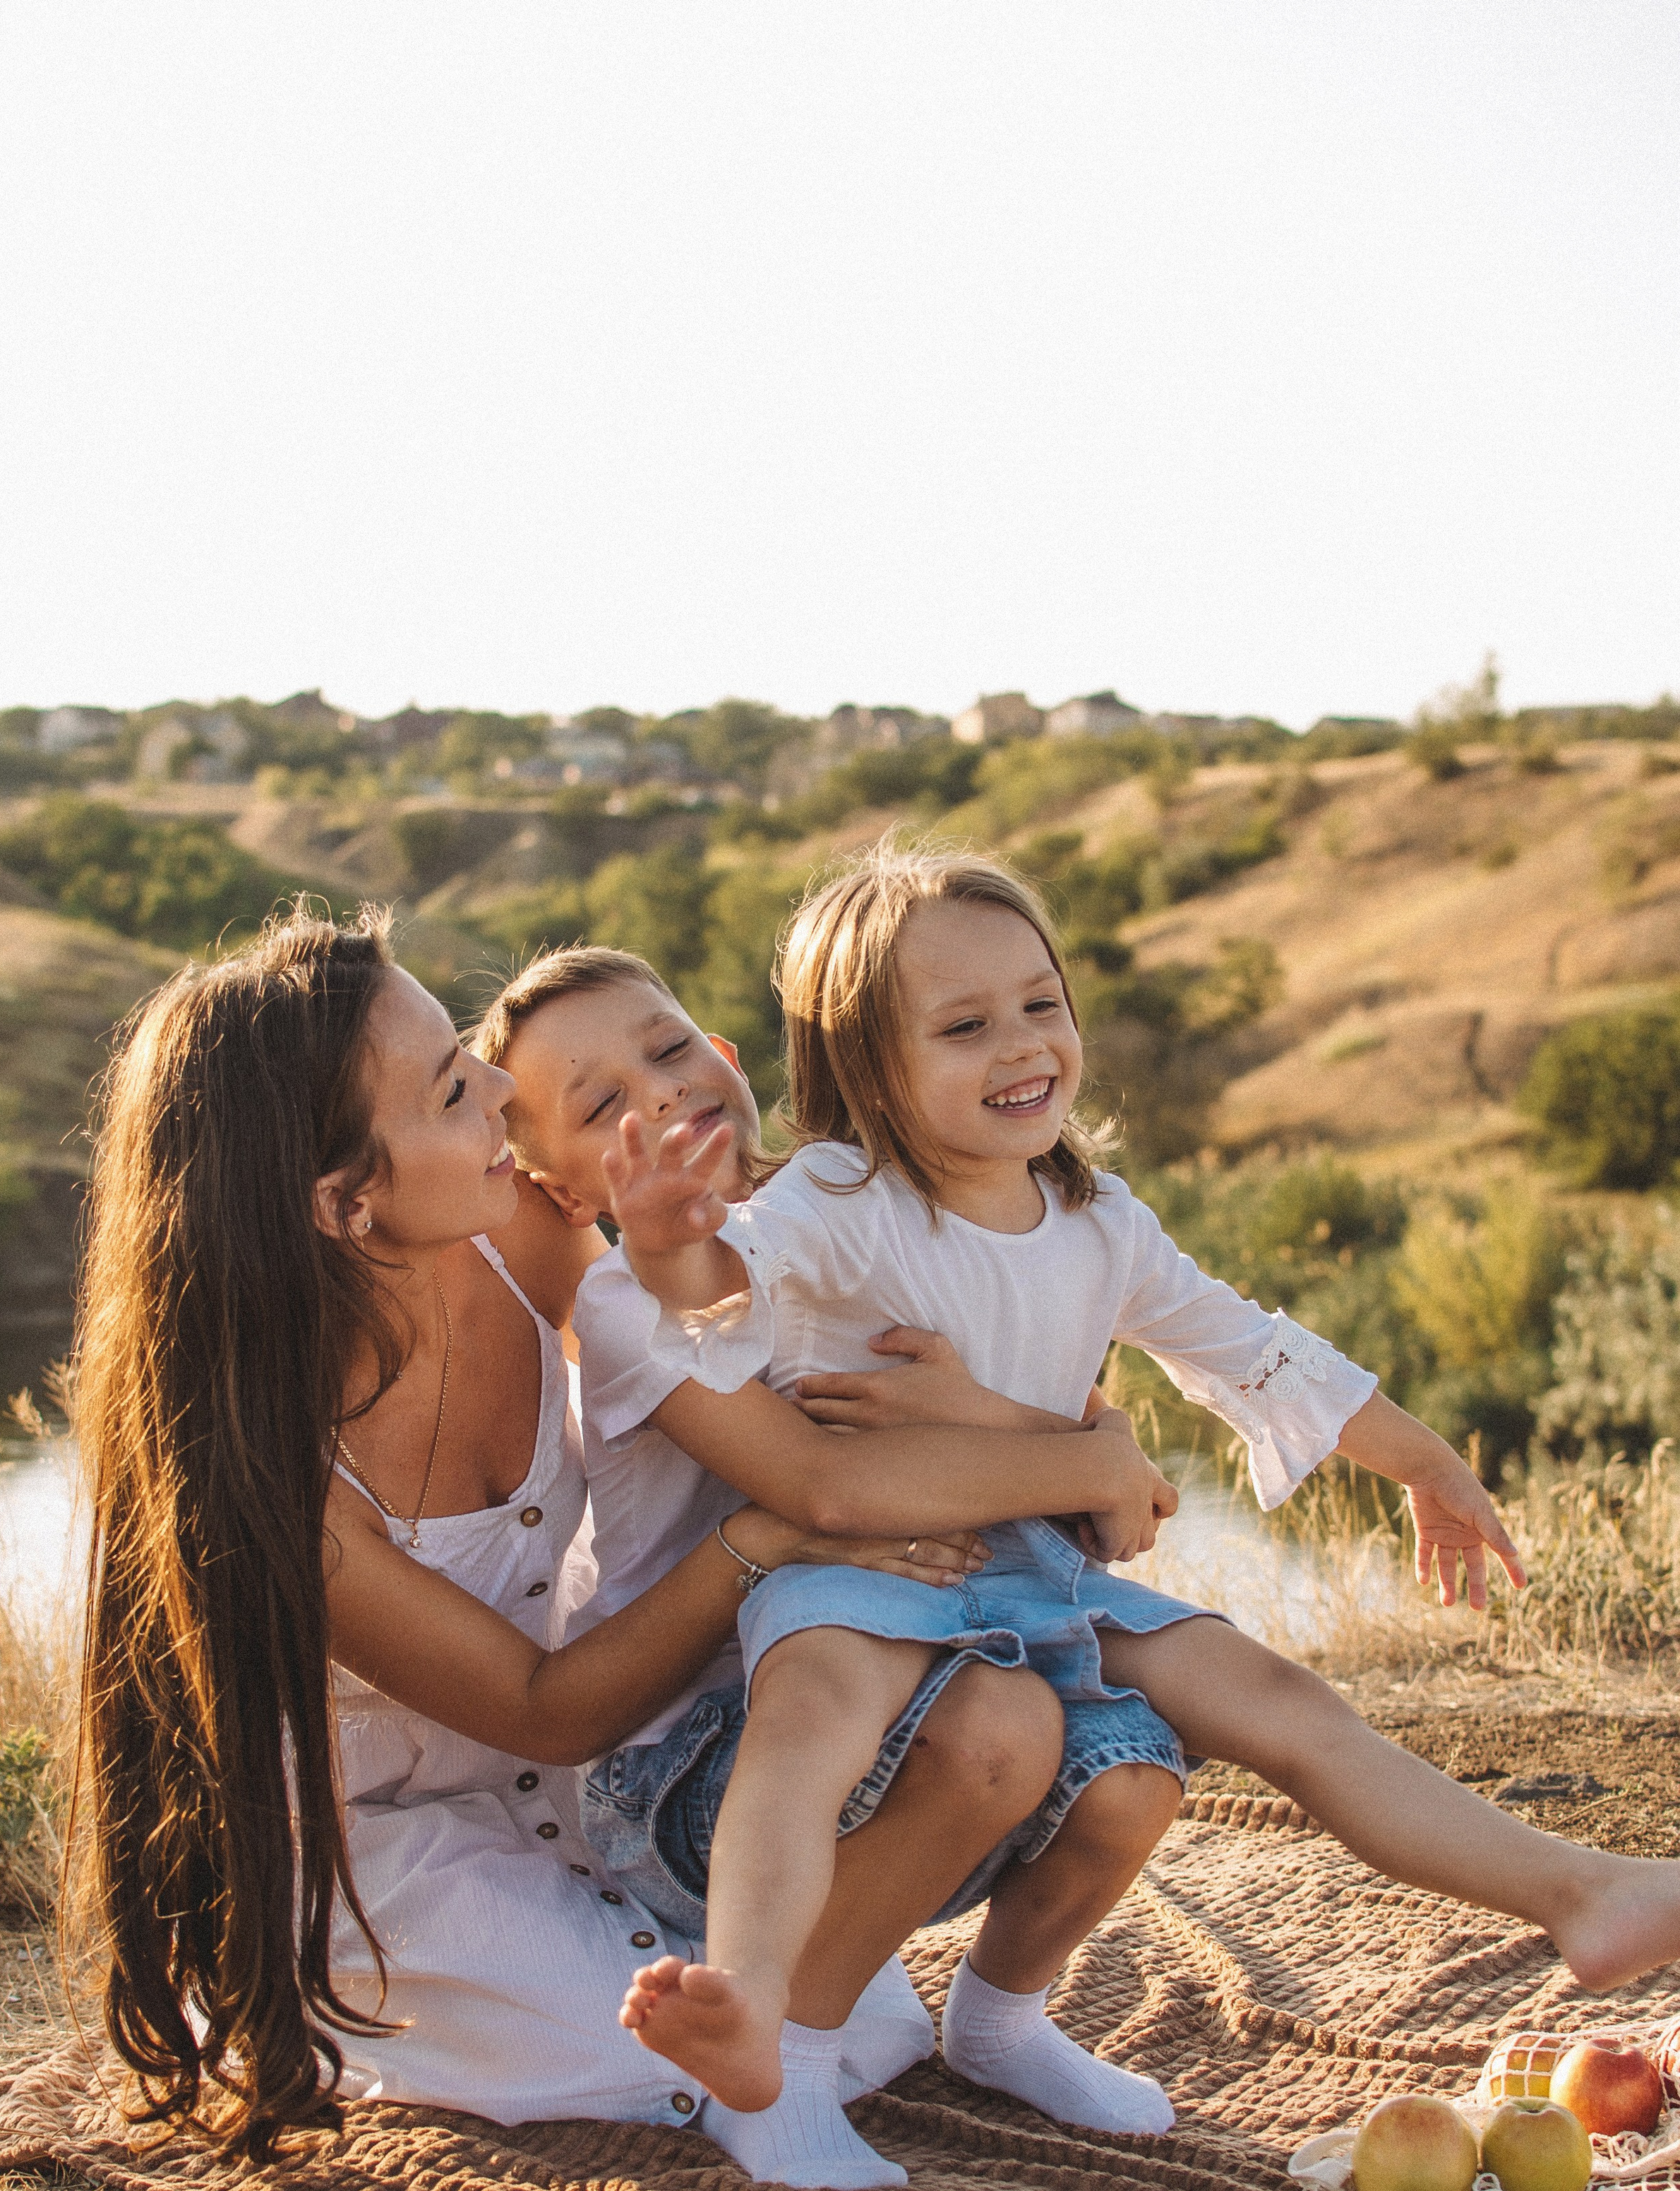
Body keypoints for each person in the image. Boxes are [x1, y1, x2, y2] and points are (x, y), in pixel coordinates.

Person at [589, 841, 1680, 2119]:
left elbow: (1259, 1356)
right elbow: (724, 1299)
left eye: (1041, 1005)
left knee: (1272, 1702)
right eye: (963, 1025)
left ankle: (1576, 1893)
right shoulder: (843, 1192)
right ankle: (751, 2007)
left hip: (1039, 1573)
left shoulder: (1100, 1220)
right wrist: (666, 1243)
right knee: (810, 1726)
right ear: (863, 1065)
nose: (1021, 1046)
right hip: (873, 1570)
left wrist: (1425, 1461)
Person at [68, 900, 1099, 2171]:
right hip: (393, 1823)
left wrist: (1004, 1415)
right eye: (454, 1089)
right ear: (344, 1202)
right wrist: (768, 1541)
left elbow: (701, 1348)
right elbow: (544, 1706)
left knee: (858, 2018)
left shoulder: (510, 1232)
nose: (503, 1089)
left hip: (582, 1768)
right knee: (645, 2055)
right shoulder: (272, 1479)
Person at [481, 948, 1187, 2173]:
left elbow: (1009, 1451)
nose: (657, 1099)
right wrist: (1097, 1464)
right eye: (601, 1109)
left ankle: (1003, 2022)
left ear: (730, 1054)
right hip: (702, 1764)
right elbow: (830, 1485)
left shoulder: (852, 1228)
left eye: (668, 1048)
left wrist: (1099, 1447)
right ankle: (780, 2062)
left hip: (891, 1681)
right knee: (1000, 1726)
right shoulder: (632, 1303)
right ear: (553, 1186)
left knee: (1134, 1765)